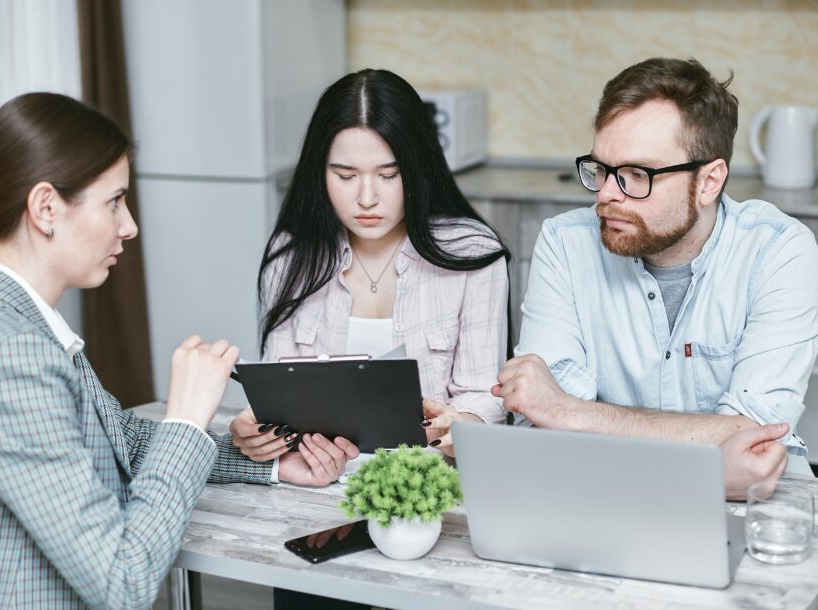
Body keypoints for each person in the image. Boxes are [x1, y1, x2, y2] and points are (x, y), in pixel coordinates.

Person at [0, 92, 358, 609]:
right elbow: (123, 583)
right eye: (114, 201)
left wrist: (274, 466)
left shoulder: (27, 324)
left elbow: (118, 442)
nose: (130, 226)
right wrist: (186, 417)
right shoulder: (14, 353)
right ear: (46, 207)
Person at [228, 68, 511, 610]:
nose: (366, 197)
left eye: (388, 173)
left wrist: (463, 422)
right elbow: (281, 390)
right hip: (315, 507)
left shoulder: (474, 253)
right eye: (345, 174)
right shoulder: (290, 258)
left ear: (419, 168)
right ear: (319, 173)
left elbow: (485, 394)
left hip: (430, 506)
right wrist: (260, 433)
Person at [493, 57, 818, 496]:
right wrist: (705, 451)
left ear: (709, 181)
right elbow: (540, 421)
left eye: (635, 175)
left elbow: (753, 437)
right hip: (596, 493)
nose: (607, 194)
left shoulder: (779, 250)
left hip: (758, 508)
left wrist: (574, 413)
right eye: (602, 169)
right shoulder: (565, 244)